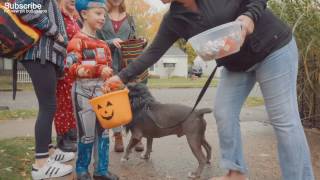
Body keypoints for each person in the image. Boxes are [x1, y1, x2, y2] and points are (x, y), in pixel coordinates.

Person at [105, 0, 315, 180]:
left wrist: (249, 16)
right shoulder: (173, 20)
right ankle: (236, 173)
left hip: (273, 48)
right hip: (237, 64)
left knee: (284, 120)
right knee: (224, 112)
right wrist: (121, 77)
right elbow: (152, 53)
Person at [15, 0, 75, 179]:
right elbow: (22, 6)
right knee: (48, 106)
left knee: (50, 105)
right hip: (39, 54)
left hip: (46, 55)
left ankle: (49, 152)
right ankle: (40, 165)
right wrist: (57, 34)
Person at [68, 0, 119, 179]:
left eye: (104, 15)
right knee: (86, 134)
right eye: (98, 13)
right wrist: (97, 70)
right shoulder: (76, 41)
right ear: (84, 14)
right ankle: (82, 169)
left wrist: (112, 83)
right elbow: (72, 69)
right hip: (83, 93)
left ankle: (101, 170)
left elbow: (109, 69)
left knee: (104, 133)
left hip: (102, 94)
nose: (102, 18)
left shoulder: (104, 45)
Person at [97, 0, 144, 153]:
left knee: (133, 99)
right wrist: (110, 42)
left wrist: (141, 42)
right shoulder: (100, 16)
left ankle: (137, 135)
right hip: (109, 66)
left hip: (128, 66)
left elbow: (133, 40)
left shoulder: (130, 18)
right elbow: (94, 41)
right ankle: (117, 136)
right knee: (114, 102)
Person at [54, 0, 81, 153]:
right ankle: (62, 138)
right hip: (63, 66)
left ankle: (72, 134)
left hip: (74, 68)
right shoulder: (59, 16)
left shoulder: (74, 18)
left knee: (71, 102)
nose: (73, 1)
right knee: (62, 104)